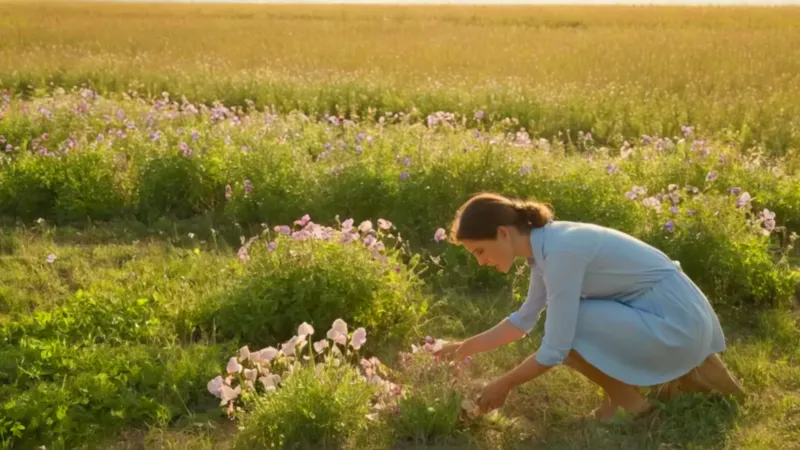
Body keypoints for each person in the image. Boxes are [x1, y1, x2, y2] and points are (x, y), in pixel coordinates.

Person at [435, 192, 745, 420]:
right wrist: (461, 349)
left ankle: (631, 405)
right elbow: (523, 321)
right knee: (567, 323)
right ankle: (623, 400)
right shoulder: (545, 247)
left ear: (503, 233)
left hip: (678, 324)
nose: (481, 261)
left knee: (569, 326)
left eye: (480, 251)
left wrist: (503, 384)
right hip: (671, 316)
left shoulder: (560, 253)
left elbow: (555, 349)